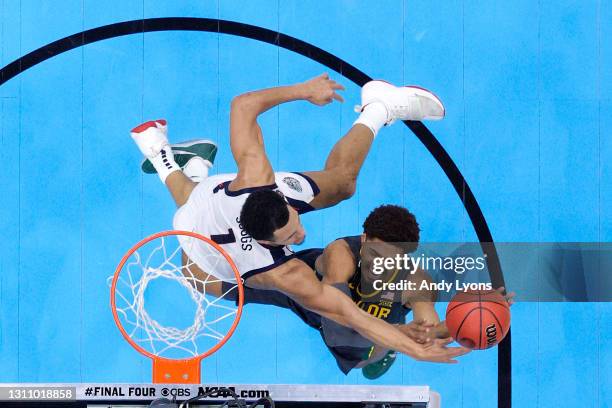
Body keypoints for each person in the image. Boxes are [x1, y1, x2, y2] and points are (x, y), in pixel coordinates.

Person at [130, 74, 468, 363]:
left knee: (342, 184)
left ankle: (379, 105)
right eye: (292, 238)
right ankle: (170, 158)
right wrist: (412, 348)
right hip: (199, 239)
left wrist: (303, 90)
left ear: (275, 195)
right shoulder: (283, 273)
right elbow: (348, 316)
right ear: (267, 242)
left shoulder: (256, 177)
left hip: (214, 200)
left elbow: (243, 105)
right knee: (198, 275)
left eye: (296, 221)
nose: (302, 235)